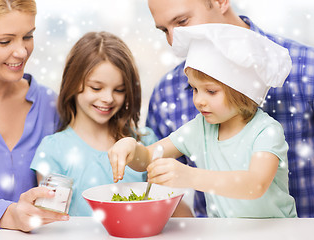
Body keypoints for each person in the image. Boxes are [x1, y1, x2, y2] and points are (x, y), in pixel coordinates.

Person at [109, 23, 297, 218]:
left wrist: (190, 176)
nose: (198, 100)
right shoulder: (200, 129)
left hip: (277, 232)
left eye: (211, 91)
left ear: (242, 91)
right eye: (194, 89)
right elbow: (148, 158)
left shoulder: (266, 132)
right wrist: (130, 148)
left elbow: (255, 184)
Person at [145, 0, 314, 217]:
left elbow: (255, 183)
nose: (173, 41)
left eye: (182, 21)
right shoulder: (167, 92)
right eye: (163, 30)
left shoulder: (307, 70)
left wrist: (190, 176)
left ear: (220, 2)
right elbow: (156, 177)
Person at [30, 31, 160, 216]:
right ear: (73, 82)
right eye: (96, 88)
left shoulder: (144, 141)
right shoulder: (53, 150)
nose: (108, 98)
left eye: (119, 90)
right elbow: (51, 221)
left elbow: (163, 207)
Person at [0, 0, 69, 232]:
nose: (22, 51)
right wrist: (5, 214)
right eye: (5, 41)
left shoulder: (51, 106)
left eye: (28, 36)